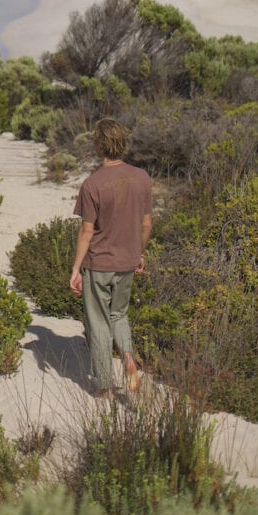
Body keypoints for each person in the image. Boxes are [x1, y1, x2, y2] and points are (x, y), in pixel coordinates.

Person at [69, 118, 152, 397]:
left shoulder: (92, 184)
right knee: (119, 314)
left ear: (98, 145)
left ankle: (104, 385)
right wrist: (140, 253)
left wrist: (76, 268)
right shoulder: (142, 177)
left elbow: (86, 231)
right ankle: (127, 356)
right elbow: (146, 223)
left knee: (99, 321)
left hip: (99, 262)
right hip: (128, 260)